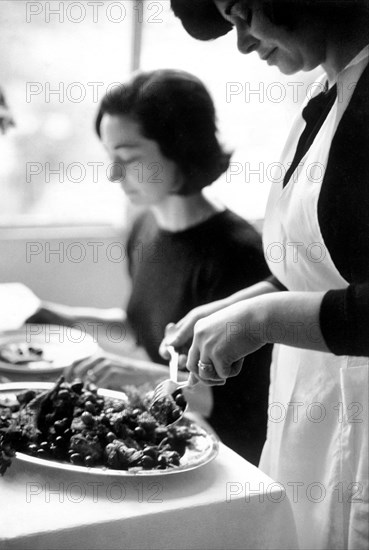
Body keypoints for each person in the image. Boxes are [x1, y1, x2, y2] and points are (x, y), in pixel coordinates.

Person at [164, 1, 369, 549]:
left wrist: (261, 319)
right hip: (308, 406)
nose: (244, 43)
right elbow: (321, 267)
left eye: (242, 13)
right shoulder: (325, 96)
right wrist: (241, 304)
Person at [27, 69, 273, 464]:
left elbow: (215, 398)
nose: (113, 174)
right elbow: (146, 327)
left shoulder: (238, 255)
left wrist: (129, 372)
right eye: (110, 157)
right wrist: (67, 318)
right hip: (164, 430)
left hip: (220, 456)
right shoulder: (144, 226)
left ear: (181, 148)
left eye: (127, 158)